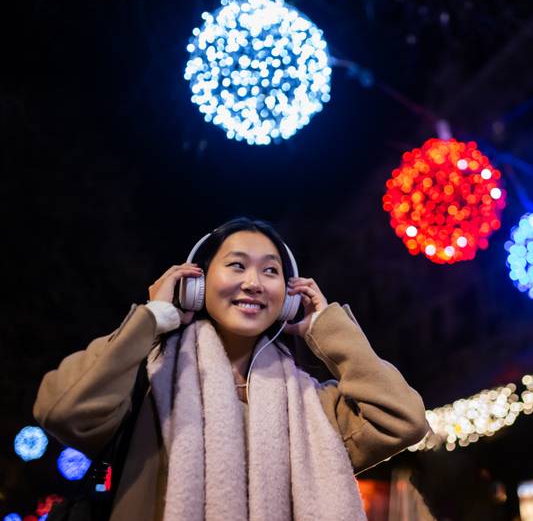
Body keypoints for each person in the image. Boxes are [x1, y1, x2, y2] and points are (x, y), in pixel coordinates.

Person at [34, 217, 429, 520]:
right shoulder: (148, 385)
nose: (254, 283)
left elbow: (403, 420)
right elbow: (64, 411)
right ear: (197, 284)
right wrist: (152, 318)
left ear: (289, 298)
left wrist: (326, 328)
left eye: (270, 271)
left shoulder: (315, 407)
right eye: (237, 266)